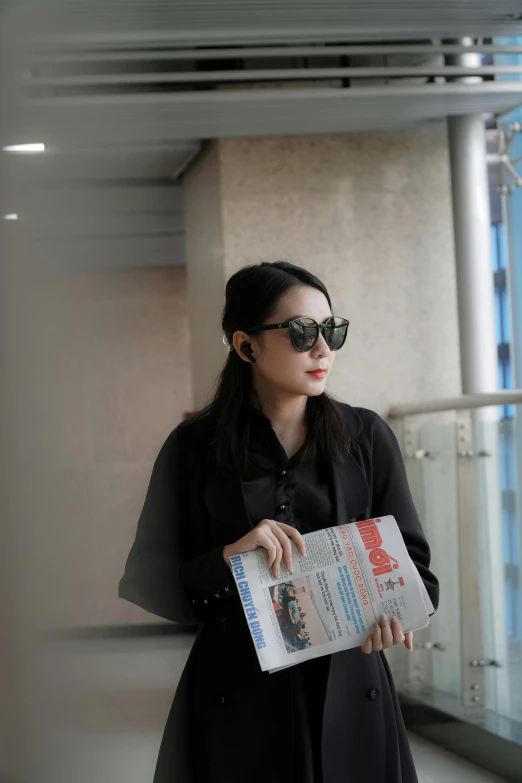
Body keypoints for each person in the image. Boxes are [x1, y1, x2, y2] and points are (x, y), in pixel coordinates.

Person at [119, 261, 439, 783]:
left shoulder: (366, 437)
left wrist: (394, 614)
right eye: (301, 332)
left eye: (331, 331)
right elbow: (149, 576)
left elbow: (416, 570)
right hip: (235, 691)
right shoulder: (194, 448)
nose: (323, 350)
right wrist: (230, 558)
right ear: (246, 346)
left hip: (352, 685)